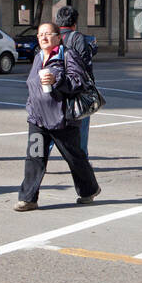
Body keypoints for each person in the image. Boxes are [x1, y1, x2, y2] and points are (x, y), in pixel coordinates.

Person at [16, 22, 100, 211]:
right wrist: (31, 105)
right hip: (38, 119)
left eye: (47, 34)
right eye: (40, 35)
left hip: (62, 120)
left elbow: (78, 82)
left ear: (58, 37)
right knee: (34, 157)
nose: (43, 38)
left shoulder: (67, 55)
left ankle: (89, 190)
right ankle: (28, 198)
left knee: (74, 158)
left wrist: (57, 80)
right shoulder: (38, 57)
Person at [54, 5, 95, 153]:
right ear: (74, 23)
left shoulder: (52, 37)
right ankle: (82, 161)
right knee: (80, 127)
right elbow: (86, 66)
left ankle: (41, 159)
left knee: (52, 125)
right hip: (75, 89)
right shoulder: (77, 38)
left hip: (56, 88)